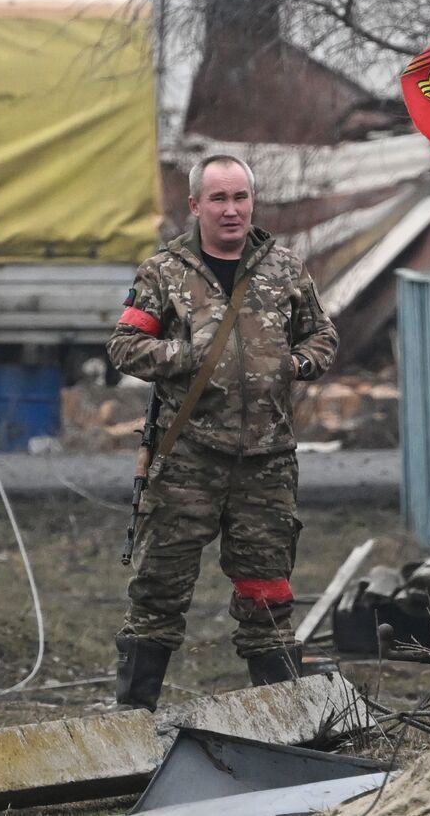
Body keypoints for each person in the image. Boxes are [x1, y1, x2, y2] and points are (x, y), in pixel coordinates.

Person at [107, 154, 337, 711]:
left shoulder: (285, 269)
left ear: (252, 202)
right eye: (218, 199)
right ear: (195, 206)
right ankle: (133, 727)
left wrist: (297, 365)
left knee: (268, 599)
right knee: (159, 593)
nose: (231, 210)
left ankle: (287, 727)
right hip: (187, 461)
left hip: (267, 462)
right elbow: (124, 346)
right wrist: (186, 355)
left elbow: (322, 336)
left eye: (240, 198)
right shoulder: (164, 272)